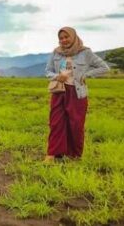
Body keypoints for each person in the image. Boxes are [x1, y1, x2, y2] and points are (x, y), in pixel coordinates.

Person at [44, 27, 109, 162]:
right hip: (59, 92)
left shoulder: (85, 52)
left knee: (76, 124)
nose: (63, 40)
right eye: (61, 38)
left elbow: (104, 67)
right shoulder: (56, 53)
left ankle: (74, 155)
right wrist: (57, 76)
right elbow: (47, 71)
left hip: (77, 94)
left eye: (66, 37)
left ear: (73, 37)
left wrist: (86, 75)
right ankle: (52, 154)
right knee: (56, 122)